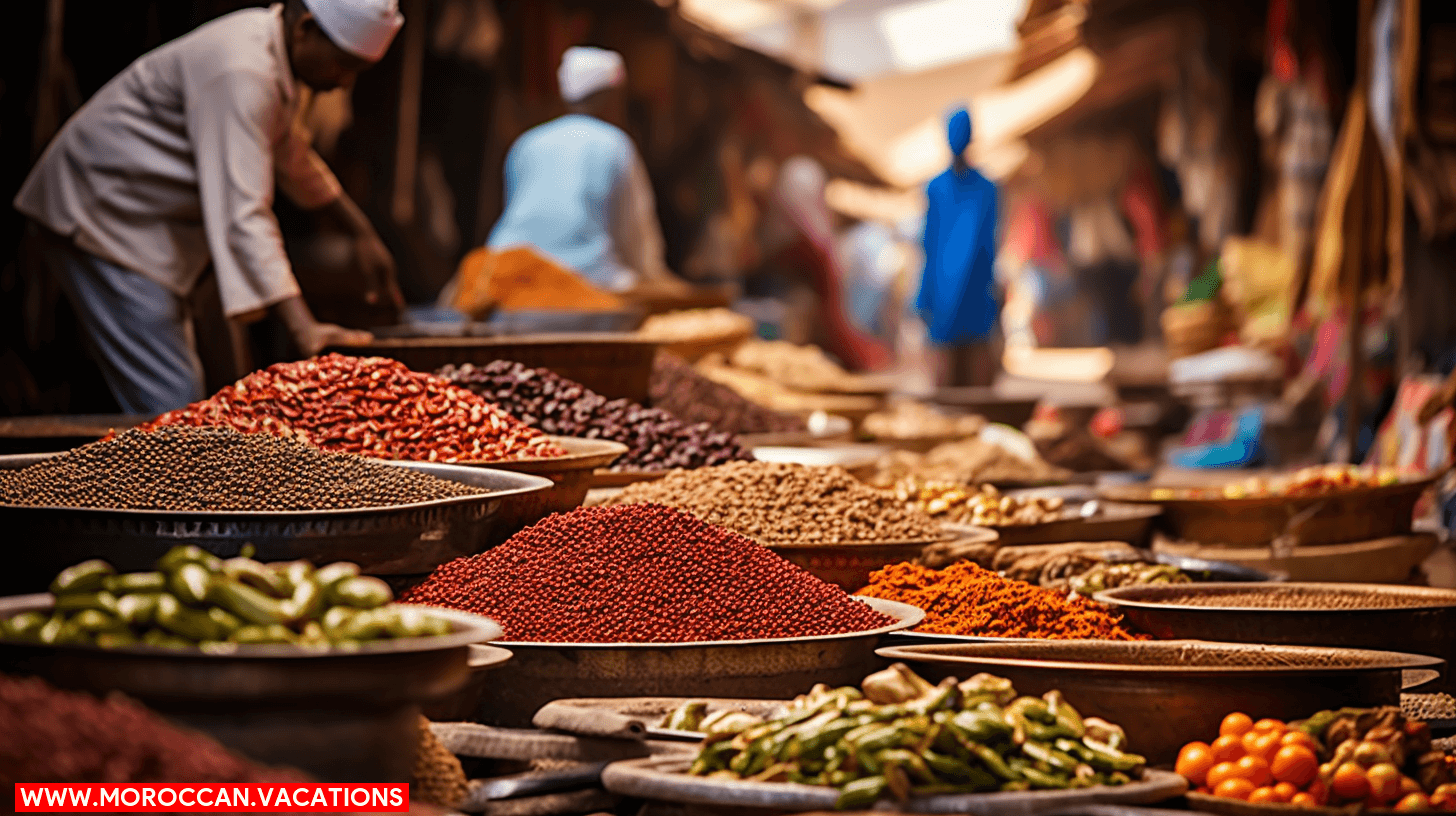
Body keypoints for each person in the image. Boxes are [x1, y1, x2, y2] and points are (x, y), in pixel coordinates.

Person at [14, 0, 403, 415]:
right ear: (305, 28)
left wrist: (360, 231)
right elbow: (245, 216)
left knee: (219, 392)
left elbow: (291, 155)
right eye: (343, 66)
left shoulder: (272, 57)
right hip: (105, 214)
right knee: (173, 399)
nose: (343, 83)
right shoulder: (242, 70)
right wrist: (303, 327)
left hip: (151, 224)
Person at [475, 46, 685, 299]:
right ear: (613, 98)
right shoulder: (615, 144)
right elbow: (637, 238)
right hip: (589, 280)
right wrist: (661, 283)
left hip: (504, 272)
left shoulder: (527, 143)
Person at [915, 108, 1000, 386]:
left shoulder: (985, 190)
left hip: (970, 299)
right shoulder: (940, 189)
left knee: (972, 383)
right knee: (950, 383)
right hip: (948, 301)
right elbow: (929, 245)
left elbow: (988, 247)